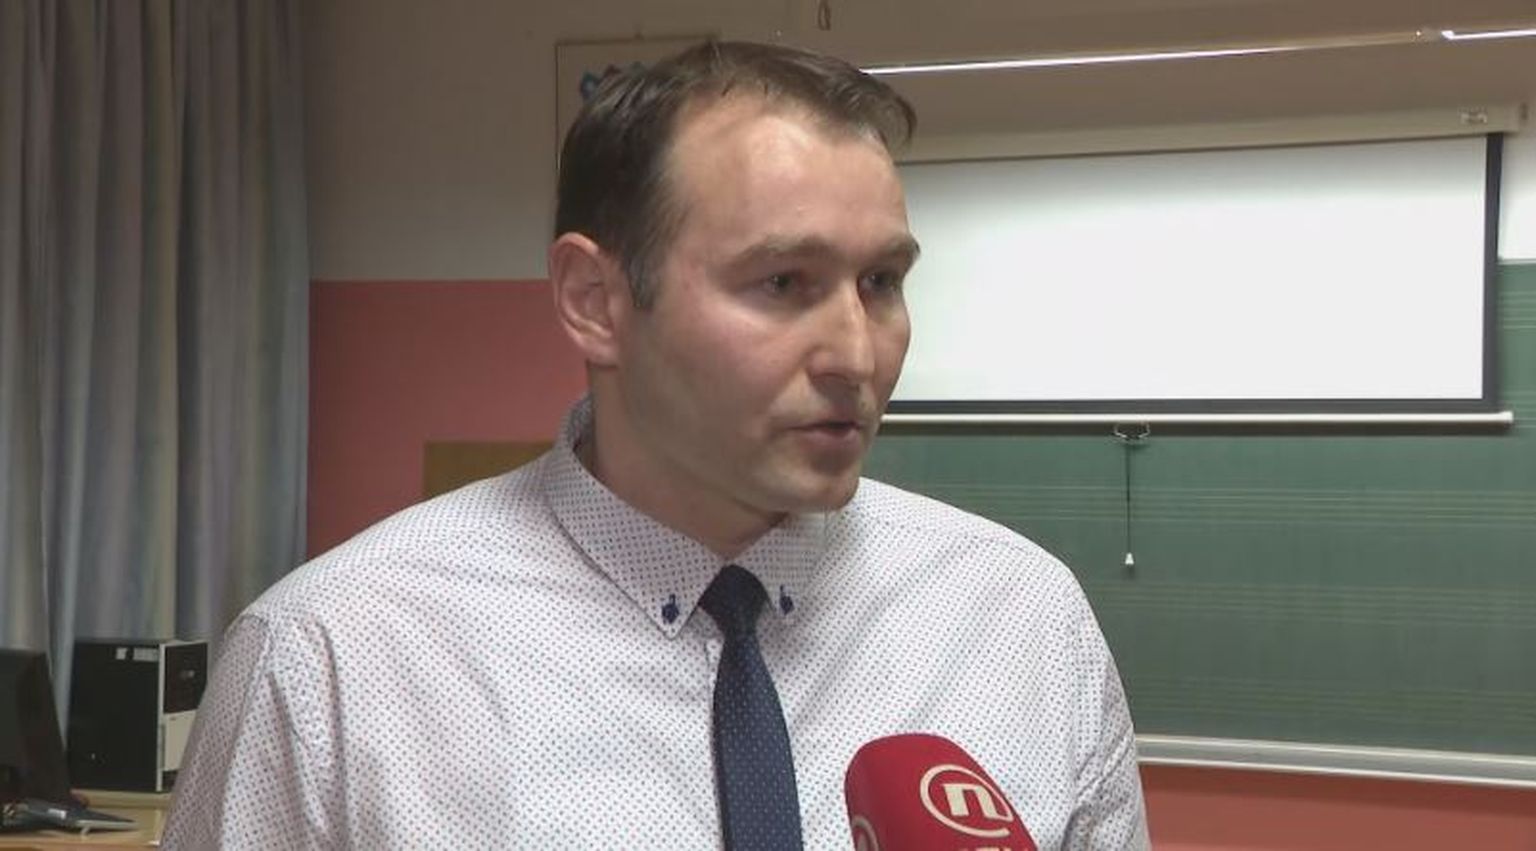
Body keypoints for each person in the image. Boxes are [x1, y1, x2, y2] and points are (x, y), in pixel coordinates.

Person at [163, 40, 1148, 849]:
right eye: (784, 283)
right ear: (594, 301)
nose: (858, 353)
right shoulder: (328, 663)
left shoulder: (1025, 621)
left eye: (882, 281)